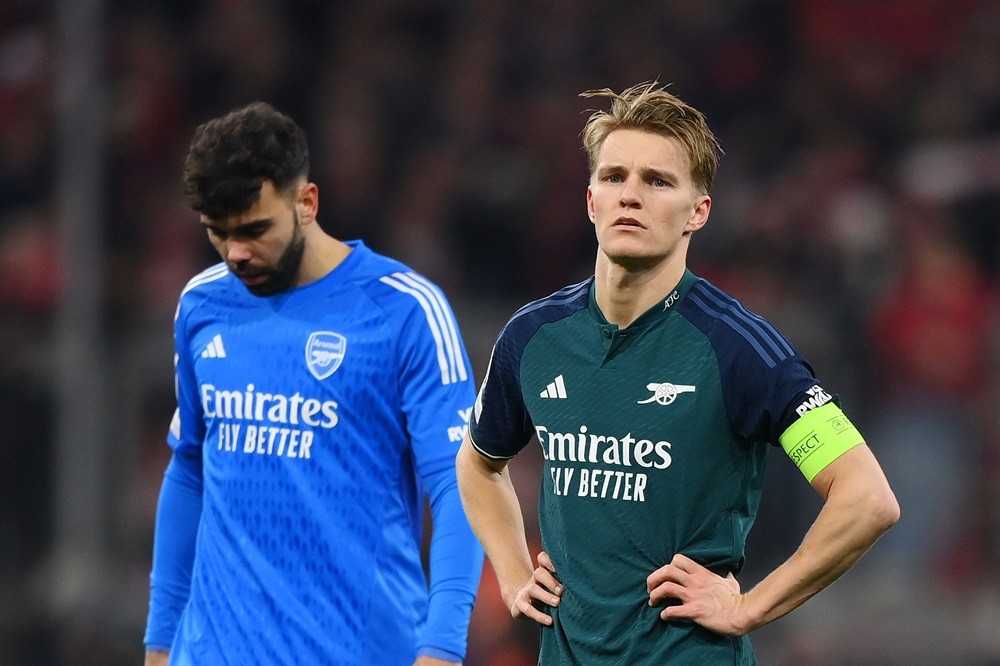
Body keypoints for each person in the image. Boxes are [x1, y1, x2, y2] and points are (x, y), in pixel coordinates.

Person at [455, 81, 899, 664]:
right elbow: (478, 462)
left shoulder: (738, 349)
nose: (630, 196)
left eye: (657, 181)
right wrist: (513, 573)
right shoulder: (533, 338)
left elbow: (868, 498)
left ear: (698, 211)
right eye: (613, 177)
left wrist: (751, 606)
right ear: (591, 200)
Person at [143, 102, 483, 665]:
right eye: (217, 233)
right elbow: (190, 468)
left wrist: (443, 645)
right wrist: (159, 643)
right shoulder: (201, 304)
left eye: (255, 230)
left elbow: (461, 487)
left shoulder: (405, 311)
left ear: (307, 202)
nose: (236, 254)